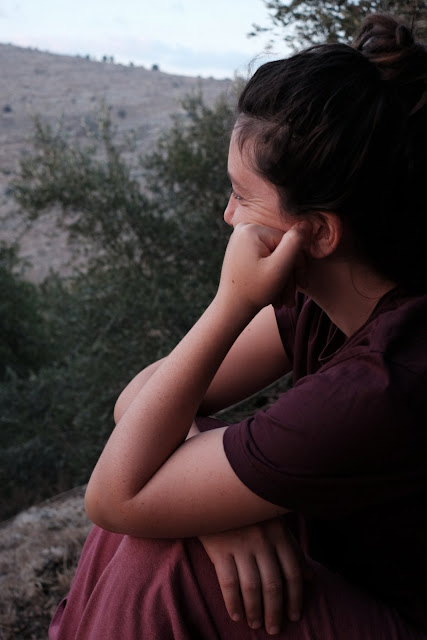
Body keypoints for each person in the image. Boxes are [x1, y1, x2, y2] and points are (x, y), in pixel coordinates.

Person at [49, 12, 427, 640]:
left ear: (320, 232)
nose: (228, 216)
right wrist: (222, 512)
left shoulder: (384, 383)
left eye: (243, 195)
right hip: (355, 580)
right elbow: (137, 399)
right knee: (161, 518)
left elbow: (113, 494)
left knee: (163, 556)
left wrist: (231, 303)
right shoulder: (328, 307)